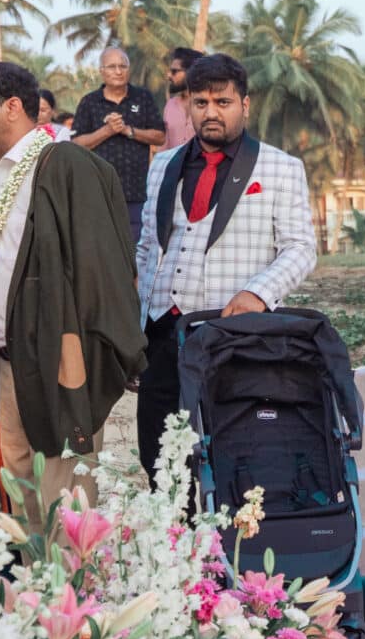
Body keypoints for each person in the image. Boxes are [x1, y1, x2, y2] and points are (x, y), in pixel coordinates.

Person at [0, 60, 143, 511]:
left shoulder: (66, 165)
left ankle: (72, 586)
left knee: (66, 504)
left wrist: (82, 362)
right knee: (24, 501)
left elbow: (103, 272)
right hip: (7, 361)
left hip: (59, 359)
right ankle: (37, 586)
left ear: (13, 107)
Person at [134, 52, 318, 481]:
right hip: (163, 333)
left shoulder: (280, 167)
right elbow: (147, 248)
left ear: (245, 105)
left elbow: (301, 248)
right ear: (188, 106)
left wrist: (258, 293)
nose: (211, 113)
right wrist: (134, 328)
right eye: (201, 103)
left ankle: (228, 546)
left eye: (223, 102)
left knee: (233, 457)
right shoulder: (163, 165)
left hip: (233, 335)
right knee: (159, 460)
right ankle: (173, 542)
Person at [70, 47, 166, 251]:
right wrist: (107, 131)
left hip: (137, 192)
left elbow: (159, 136)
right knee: (102, 249)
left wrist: (128, 131)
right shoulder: (89, 102)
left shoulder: (142, 98)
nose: (118, 71)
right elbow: (76, 143)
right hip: (99, 192)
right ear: (102, 71)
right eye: (112, 67)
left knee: (137, 250)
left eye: (123, 66)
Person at [161, 46, 200, 155]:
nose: (169, 75)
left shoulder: (208, 107)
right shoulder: (170, 105)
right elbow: (164, 147)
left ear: (191, 72)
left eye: (174, 71)